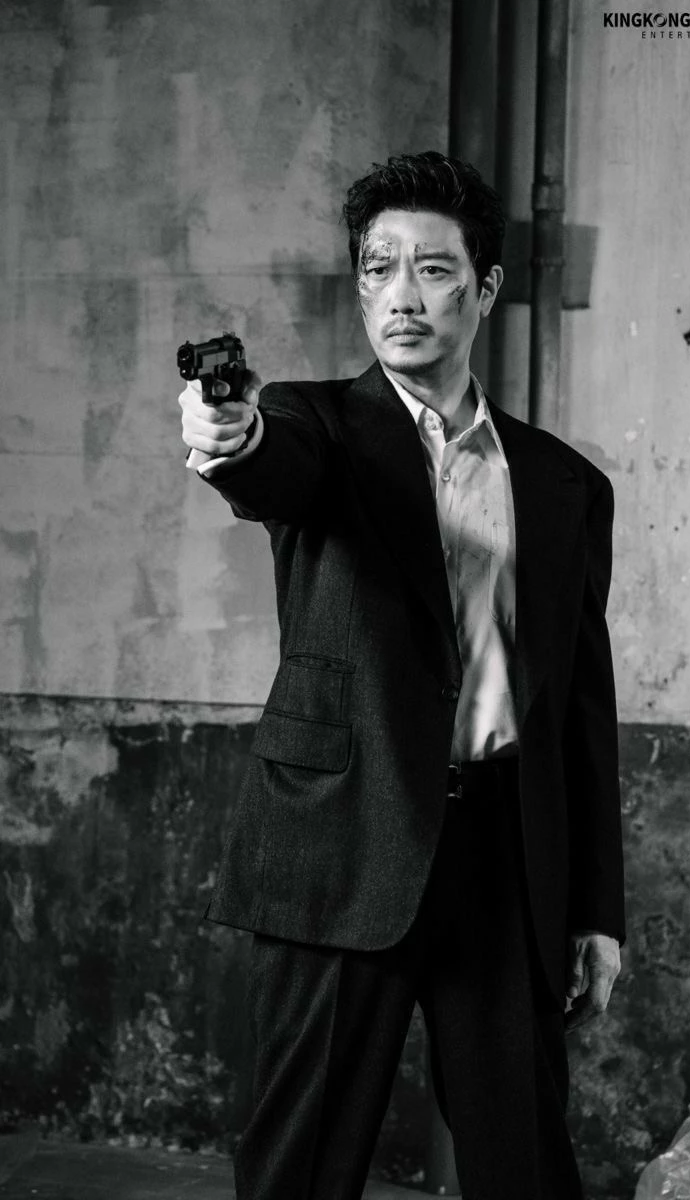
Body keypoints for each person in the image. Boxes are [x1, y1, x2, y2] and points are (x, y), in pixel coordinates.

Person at [178, 150, 625, 1200]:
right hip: (345, 842)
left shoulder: (563, 485)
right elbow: (266, 463)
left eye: (432, 270)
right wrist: (228, 431)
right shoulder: (317, 425)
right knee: (299, 1169)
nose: (402, 297)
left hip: (505, 858)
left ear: (485, 288)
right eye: (379, 270)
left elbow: (580, 706)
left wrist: (595, 907)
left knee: (526, 1169)